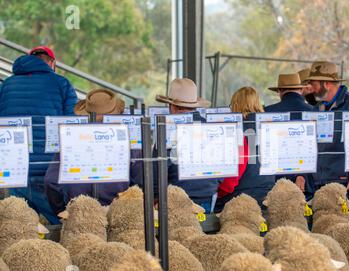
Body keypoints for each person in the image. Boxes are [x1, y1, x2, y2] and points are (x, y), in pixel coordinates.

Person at [0, 46, 78, 224]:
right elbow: (72, 125)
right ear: (52, 63)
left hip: (13, 168)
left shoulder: (6, 85)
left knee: (15, 227)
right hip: (47, 170)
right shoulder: (61, 83)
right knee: (61, 225)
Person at [45, 88, 140, 216]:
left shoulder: (71, 140)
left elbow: (51, 181)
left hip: (78, 212)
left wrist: (63, 210)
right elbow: (140, 182)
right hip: (118, 212)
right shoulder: (129, 141)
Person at [149, 78, 223, 213]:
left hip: (175, 198)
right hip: (207, 195)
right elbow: (223, 167)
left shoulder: (166, 130)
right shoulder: (212, 128)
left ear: (173, 107)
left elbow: (156, 170)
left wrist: (155, 197)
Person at [305, 61, 349, 201]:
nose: (311, 88)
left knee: (337, 222)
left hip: (342, 183)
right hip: (314, 182)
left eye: (314, 84)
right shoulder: (316, 107)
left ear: (326, 84)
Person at [214, 87, 275, 212]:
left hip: (239, 199)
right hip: (268, 198)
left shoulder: (234, 129)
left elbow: (230, 181)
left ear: (235, 105)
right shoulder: (270, 128)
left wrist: (216, 194)